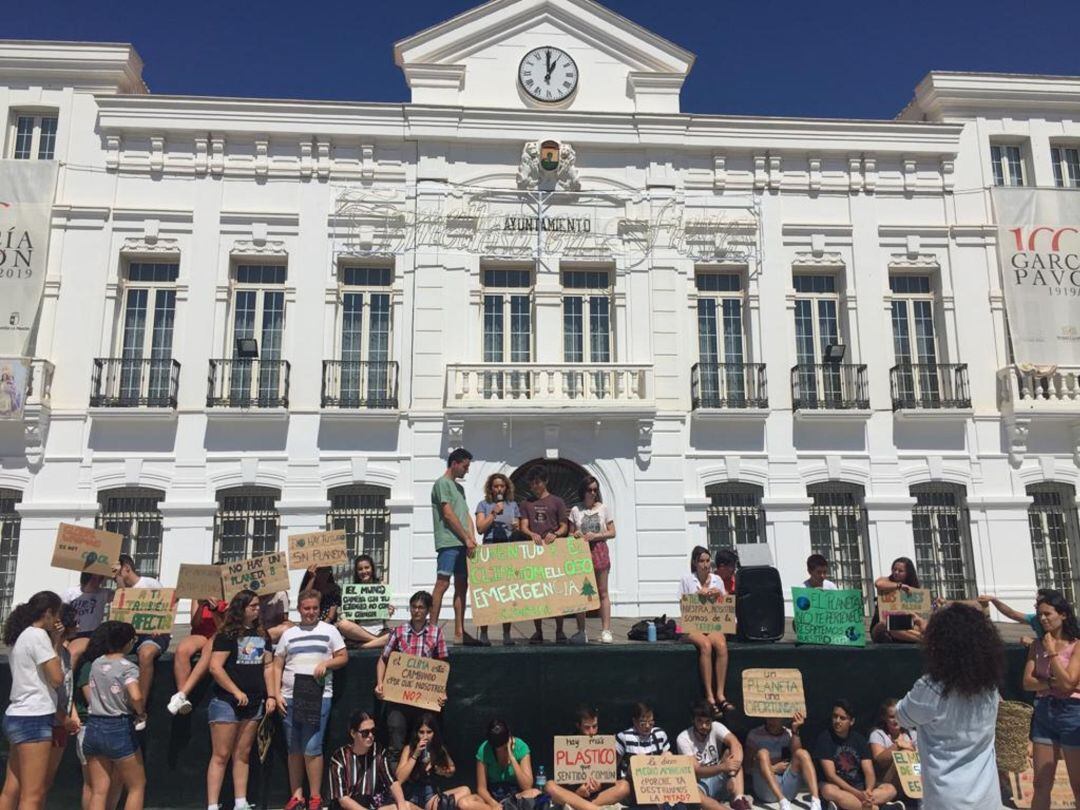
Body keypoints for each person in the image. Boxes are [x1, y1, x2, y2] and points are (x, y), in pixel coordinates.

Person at [897, 603, 1004, 809]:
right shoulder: (990, 688)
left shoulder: (932, 687)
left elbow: (902, 715)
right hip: (987, 797)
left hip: (946, 798)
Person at [274, 588, 349, 810]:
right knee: (294, 748)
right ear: (299, 609)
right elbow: (278, 663)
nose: (311, 612)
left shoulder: (330, 631)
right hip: (289, 696)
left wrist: (326, 664)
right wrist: (277, 693)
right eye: (307, 608)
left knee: (313, 747)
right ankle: (297, 796)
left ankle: (315, 797)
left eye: (315, 608)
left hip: (318, 696)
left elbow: (343, 657)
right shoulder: (289, 634)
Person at [206, 589, 276, 810]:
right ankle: (213, 805)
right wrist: (236, 692)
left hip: (255, 702)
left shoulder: (263, 635)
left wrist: (271, 694)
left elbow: (268, 666)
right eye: (252, 606)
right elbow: (215, 667)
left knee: (243, 754)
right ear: (241, 608)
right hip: (226, 701)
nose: (257, 609)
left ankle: (240, 801)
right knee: (221, 754)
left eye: (258, 606)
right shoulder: (227, 635)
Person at [0, 590, 64, 810]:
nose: (57, 620)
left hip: (17, 714)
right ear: (48, 612)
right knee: (33, 795)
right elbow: (56, 678)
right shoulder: (37, 636)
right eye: (56, 615)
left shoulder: (17, 635)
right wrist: (56, 642)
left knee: (12, 787)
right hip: (34, 716)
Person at [376, 590, 449, 769]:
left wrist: (442, 691)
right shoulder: (398, 631)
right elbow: (384, 659)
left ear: (428, 610)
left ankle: (423, 788)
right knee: (395, 743)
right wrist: (380, 683)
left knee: (425, 745)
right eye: (414, 607)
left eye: (421, 607)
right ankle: (396, 786)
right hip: (398, 699)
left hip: (424, 700)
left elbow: (442, 666)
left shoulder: (436, 633)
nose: (416, 611)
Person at [1022, 590, 1080, 810]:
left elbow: (1069, 683)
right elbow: (1028, 682)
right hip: (1045, 711)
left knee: (1078, 784)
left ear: (1063, 615)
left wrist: (1052, 653)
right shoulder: (1036, 646)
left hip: (1073, 712)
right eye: (1040, 614)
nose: (1043, 619)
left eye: (1048, 614)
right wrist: (1052, 683)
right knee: (1041, 782)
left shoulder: (1076, 645)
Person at [82, 620, 147, 810]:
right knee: (137, 785)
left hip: (93, 725)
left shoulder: (96, 663)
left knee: (99, 789)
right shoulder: (128, 667)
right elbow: (135, 695)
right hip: (118, 726)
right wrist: (141, 712)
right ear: (127, 642)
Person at [520, 466, 581, 645]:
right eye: (532, 483)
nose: (535, 486)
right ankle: (538, 632)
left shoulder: (557, 502)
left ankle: (560, 631)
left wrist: (556, 534)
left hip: (554, 551)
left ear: (545, 481)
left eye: (537, 482)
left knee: (556, 591)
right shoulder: (526, 503)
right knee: (536, 592)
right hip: (534, 552)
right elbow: (523, 525)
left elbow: (564, 526)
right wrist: (531, 534)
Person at [814, 699, 901, 810]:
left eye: (842, 718)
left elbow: (869, 771)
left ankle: (855, 806)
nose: (837, 721)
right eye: (835, 716)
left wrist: (868, 791)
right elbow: (831, 776)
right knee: (828, 790)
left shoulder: (859, 739)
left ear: (851, 721)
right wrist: (857, 793)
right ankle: (874, 808)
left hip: (860, 788)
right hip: (839, 787)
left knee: (890, 789)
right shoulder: (825, 738)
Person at [430, 448, 479, 646]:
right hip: (449, 542)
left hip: (463, 542)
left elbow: (465, 515)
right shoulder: (442, 484)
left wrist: (472, 538)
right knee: (442, 583)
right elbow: (448, 514)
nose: (467, 471)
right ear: (455, 463)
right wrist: (465, 537)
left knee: (462, 585)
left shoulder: (459, 489)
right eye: (465, 466)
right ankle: (431, 632)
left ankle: (459, 632)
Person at [112, 554, 167, 729]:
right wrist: (118, 581)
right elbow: (122, 605)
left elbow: (168, 603)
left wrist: (161, 622)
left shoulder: (150, 583)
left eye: (119, 570)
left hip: (153, 635)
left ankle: (140, 708)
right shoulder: (120, 589)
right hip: (131, 635)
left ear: (127, 567)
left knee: (146, 654)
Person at [73, 625, 124, 810]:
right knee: (98, 784)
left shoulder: (91, 665)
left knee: (100, 783)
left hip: (96, 725)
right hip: (95, 725)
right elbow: (92, 699)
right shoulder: (90, 666)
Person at [680, 546, 733, 718]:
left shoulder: (717, 580)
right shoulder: (688, 580)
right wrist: (698, 595)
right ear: (695, 563)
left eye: (707, 561)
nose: (705, 565)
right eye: (701, 561)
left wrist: (719, 594)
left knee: (721, 645)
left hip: (710, 624)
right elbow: (683, 605)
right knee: (705, 645)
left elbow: (725, 606)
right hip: (694, 626)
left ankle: (720, 693)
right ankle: (709, 695)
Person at [329, 710, 418, 810]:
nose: (370, 736)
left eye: (373, 731)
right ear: (353, 733)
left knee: (407, 806)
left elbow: (392, 782)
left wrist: (401, 805)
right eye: (365, 733)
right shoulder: (339, 758)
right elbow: (343, 800)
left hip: (371, 805)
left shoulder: (378, 752)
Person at [675, 699, 751, 810]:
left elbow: (736, 744)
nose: (704, 726)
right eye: (700, 721)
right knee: (692, 793)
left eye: (707, 722)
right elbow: (697, 771)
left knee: (731, 755)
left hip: (720, 777)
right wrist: (722, 767)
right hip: (700, 782)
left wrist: (731, 774)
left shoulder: (716, 726)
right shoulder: (683, 738)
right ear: (693, 720)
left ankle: (738, 800)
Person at [474, 473, 522, 647]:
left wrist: (516, 526)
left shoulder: (513, 505)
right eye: (496, 486)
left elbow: (518, 526)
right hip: (489, 547)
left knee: (507, 592)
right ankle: (484, 634)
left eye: (502, 486)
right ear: (490, 488)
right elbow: (480, 528)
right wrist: (493, 513)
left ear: (506, 487)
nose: (499, 489)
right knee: (487, 592)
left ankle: (507, 634)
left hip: (507, 548)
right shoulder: (484, 505)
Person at [569, 476, 615, 645]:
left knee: (603, 591)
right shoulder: (576, 510)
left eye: (595, 489)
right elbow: (570, 533)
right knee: (583, 593)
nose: (593, 493)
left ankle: (606, 630)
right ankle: (581, 631)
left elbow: (612, 532)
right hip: (581, 552)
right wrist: (575, 535)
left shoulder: (603, 508)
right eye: (590, 489)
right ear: (583, 491)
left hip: (599, 550)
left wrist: (596, 535)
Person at [167, 592, 228, 716]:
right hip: (200, 633)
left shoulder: (228, 595)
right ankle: (181, 699)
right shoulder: (198, 595)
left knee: (209, 649)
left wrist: (214, 609)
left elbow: (224, 627)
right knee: (182, 649)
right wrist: (201, 606)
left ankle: (183, 692)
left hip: (220, 633)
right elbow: (194, 624)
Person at [543, 705, 615, 810]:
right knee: (549, 786)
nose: (591, 732)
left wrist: (600, 785)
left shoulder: (604, 741)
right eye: (587, 727)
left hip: (596, 796)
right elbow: (561, 778)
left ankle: (583, 807)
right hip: (574, 795)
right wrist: (576, 791)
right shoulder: (567, 744)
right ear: (578, 725)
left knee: (624, 786)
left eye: (595, 726)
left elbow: (610, 775)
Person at [746, 712, 821, 810]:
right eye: (768, 717)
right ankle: (783, 803)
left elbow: (797, 755)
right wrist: (772, 769)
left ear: (783, 718)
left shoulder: (788, 733)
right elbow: (746, 767)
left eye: (775, 717)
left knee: (803, 753)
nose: (771, 720)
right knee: (763, 753)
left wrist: (795, 731)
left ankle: (816, 801)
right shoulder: (754, 734)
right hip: (766, 789)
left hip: (786, 786)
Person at [459, 719, 540, 810]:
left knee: (535, 793)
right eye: (496, 749)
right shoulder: (484, 749)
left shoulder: (521, 747)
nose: (500, 752)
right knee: (464, 803)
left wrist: (512, 757)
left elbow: (527, 786)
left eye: (504, 748)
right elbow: (481, 788)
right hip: (492, 797)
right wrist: (493, 804)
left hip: (515, 797)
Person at [396, 712, 471, 810]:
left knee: (465, 790)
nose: (425, 737)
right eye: (421, 732)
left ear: (434, 733)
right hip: (412, 799)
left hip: (430, 798)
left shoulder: (438, 749)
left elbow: (451, 769)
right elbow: (399, 779)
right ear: (416, 733)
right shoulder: (409, 749)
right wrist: (415, 755)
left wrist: (444, 771)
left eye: (429, 732)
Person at [338, 554, 397, 648]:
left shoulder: (381, 586)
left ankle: (364, 646)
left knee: (395, 634)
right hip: (359, 631)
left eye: (367, 568)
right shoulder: (352, 590)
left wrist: (389, 611)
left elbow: (386, 617)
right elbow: (347, 617)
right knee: (342, 624)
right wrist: (349, 615)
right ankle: (376, 642)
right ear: (356, 572)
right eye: (360, 569)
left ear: (372, 569)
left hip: (380, 629)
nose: (364, 571)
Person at [62, 573, 112, 672]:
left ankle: (67, 679)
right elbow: (60, 613)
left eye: (100, 579)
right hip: (70, 632)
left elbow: (122, 593)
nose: (96, 582)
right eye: (93, 578)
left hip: (91, 633)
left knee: (75, 654)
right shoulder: (71, 592)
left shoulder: (103, 593)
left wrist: (115, 576)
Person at [870, 557, 922, 644]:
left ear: (908, 573)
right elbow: (878, 584)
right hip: (881, 628)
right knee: (887, 623)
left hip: (903, 628)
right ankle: (922, 640)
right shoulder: (887, 581)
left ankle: (922, 639)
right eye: (894, 570)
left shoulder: (913, 589)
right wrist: (899, 586)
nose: (896, 573)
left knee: (916, 626)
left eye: (900, 571)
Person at [980, 588, 1057, 646]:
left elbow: (1059, 643)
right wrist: (994, 600)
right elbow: (1012, 614)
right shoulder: (1035, 619)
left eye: (1039, 603)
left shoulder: (1060, 621)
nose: (1035, 605)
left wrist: (1034, 642)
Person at [868, 699, 916, 786]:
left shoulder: (912, 734)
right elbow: (879, 761)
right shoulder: (877, 734)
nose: (896, 720)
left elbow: (922, 758)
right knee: (905, 753)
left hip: (914, 781)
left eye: (899, 715)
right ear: (884, 717)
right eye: (892, 717)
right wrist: (897, 746)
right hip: (887, 782)